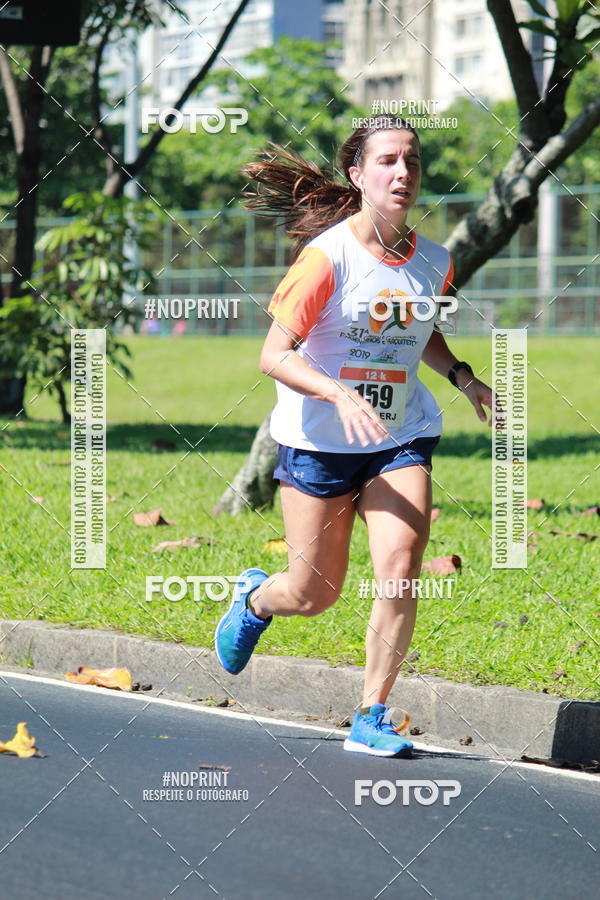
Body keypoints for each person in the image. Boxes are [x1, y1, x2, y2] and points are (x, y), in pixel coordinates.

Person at [215, 116, 493, 758]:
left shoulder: (433, 260)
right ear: (358, 175)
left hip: (400, 435)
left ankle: (372, 714)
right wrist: (338, 392)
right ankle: (256, 600)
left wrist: (463, 378)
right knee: (315, 594)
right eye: (389, 161)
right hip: (317, 443)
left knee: (400, 568)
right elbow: (274, 355)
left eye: (413, 162)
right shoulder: (327, 259)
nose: (403, 173)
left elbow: (417, 330)